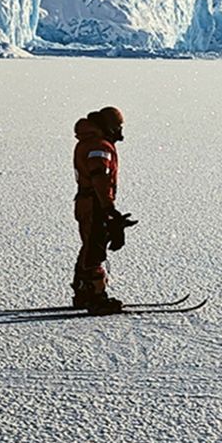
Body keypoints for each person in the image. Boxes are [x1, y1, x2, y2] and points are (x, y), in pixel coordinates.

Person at [71, 106, 137, 314]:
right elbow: (100, 178)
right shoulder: (100, 146)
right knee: (95, 249)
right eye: (117, 126)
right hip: (94, 204)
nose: (120, 132)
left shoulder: (89, 142)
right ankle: (95, 296)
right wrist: (109, 208)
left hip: (86, 202)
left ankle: (83, 291)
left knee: (89, 245)